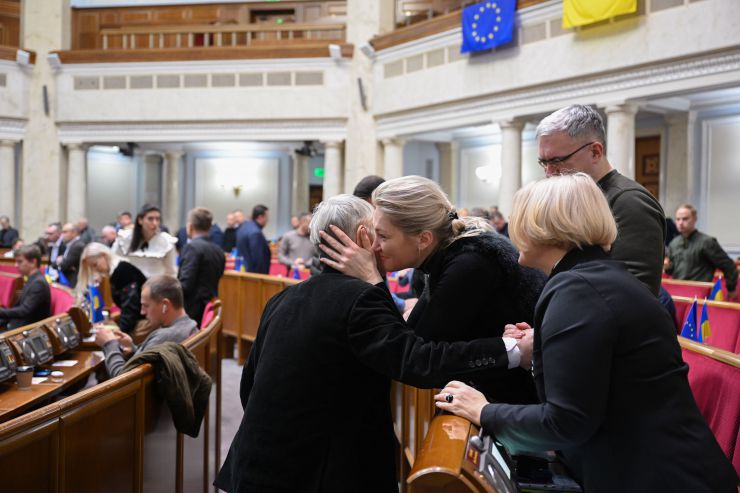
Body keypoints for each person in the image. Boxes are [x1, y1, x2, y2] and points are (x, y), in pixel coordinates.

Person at [434, 173, 738, 493]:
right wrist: (539, 355)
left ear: (543, 227)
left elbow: (566, 422)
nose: (510, 228)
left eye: (518, 218)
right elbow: (609, 381)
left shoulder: (579, 289)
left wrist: (483, 410)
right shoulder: (595, 277)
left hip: (660, 479)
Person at [215, 195, 532, 493]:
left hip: (256, 463)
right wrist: (512, 350)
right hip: (317, 475)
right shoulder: (362, 298)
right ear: (364, 238)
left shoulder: (285, 296)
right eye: (378, 235)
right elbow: (419, 361)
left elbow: (249, 385)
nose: (382, 245)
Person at [321, 176, 546, 403]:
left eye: (383, 236)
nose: (374, 246)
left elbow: (419, 361)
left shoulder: (470, 263)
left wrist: (372, 279)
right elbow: (412, 340)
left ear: (424, 239)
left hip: (532, 401)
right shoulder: (443, 256)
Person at [536, 104, 665, 296]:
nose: (549, 172)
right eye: (543, 162)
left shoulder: (630, 202)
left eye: (556, 161)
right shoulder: (574, 199)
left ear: (595, 152)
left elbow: (635, 294)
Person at [94, 275, 198, 378]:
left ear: (165, 305)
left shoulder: (165, 337)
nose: (142, 312)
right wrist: (133, 349)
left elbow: (122, 378)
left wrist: (109, 344)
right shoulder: (190, 325)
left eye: (146, 305)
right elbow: (149, 361)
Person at [666, 203, 737, 299]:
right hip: (677, 293)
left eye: (685, 219)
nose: (680, 222)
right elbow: (671, 271)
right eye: (678, 219)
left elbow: (729, 266)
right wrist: (667, 267)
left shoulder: (707, 242)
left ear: (695, 219)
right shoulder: (674, 243)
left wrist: (731, 289)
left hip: (698, 295)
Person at [77, 242, 147, 335]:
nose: (95, 270)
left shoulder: (123, 271)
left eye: (95, 265)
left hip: (144, 322)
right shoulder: (117, 271)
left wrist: (120, 331)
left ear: (104, 256)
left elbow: (130, 308)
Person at [178, 208, 226, 325]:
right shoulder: (218, 250)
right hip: (209, 307)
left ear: (190, 227)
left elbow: (185, 284)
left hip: (191, 311)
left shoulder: (192, 247)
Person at [113, 204, 177, 278]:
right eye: (150, 219)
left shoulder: (167, 241)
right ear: (140, 220)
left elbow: (171, 272)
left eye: (158, 219)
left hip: (156, 287)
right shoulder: (124, 238)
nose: (155, 223)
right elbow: (113, 262)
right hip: (129, 285)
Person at [0, 245, 50, 331]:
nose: (16, 265)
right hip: (16, 326)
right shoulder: (33, 279)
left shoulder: (38, 283)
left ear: (33, 262)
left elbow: (24, 311)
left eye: (20, 262)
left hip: (24, 332)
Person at [235, 205, 270, 274]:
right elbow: (258, 259)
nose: (267, 220)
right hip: (253, 276)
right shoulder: (255, 233)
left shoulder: (243, 227)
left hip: (242, 270)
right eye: (267, 217)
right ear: (260, 217)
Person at [57, 223, 85, 287]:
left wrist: (62, 261)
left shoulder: (78, 246)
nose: (62, 235)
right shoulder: (68, 244)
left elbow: (64, 266)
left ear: (74, 233)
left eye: (65, 232)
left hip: (74, 282)